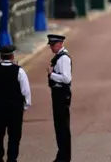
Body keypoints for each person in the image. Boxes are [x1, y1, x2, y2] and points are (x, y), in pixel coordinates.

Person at [0, 45, 32, 162]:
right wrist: (25, 106)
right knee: (14, 136)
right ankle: (12, 159)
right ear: (12, 56)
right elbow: (26, 91)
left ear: (1, 57)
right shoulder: (19, 71)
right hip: (15, 110)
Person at [48, 34, 73, 162]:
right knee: (59, 126)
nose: (51, 47)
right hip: (58, 93)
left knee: (62, 126)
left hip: (61, 94)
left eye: (53, 45)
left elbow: (66, 78)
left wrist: (52, 75)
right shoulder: (59, 57)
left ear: (60, 44)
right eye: (51, 45)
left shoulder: (63, 59)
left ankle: (64, 157)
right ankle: (62, 155)